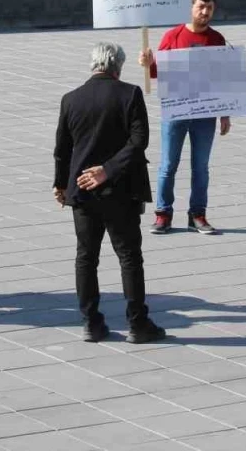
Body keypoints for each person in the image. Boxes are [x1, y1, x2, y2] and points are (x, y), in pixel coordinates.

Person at [54, 42, 166, 344]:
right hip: (121, 190)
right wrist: (108, 170)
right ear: (118, 66)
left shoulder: (71, 99)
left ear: (93, 64)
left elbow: (62, 149)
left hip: (82, 190)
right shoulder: (130, 94)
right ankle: (138, 323)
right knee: (129, 257)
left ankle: (91, 323)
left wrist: (60, 185)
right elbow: (139, 141)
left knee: (86, 258)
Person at [139, 0, 231, 236]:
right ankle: (163, 214)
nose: (205, 12)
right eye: (201, 7)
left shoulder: (217, 39)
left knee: (201, 167)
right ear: (190, 7)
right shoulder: (173, 35)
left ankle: (197, 215)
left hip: (205, 113)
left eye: (209, 8)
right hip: (176, 110)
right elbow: (157, 71)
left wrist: (225, 113)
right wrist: (148, 64)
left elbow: (223, 78)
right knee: (168, 165)